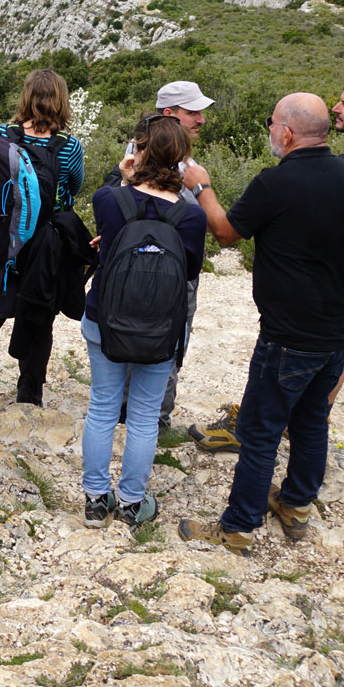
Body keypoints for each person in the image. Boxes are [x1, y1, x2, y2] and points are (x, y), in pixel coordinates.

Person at [177, 93, 344, 553]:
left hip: (289, 333)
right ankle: (296, 506)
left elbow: (223, 231)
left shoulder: (275, 184)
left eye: (271, 124)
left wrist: (202, 186)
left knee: (260, 431)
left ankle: (238, 528)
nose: (270, 132)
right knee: (312, 420)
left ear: (286, 132)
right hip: (342, 330)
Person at [80, 114, 207, 529]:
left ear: (138, 151)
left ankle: (97, 500)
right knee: (145, 414)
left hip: (106, 318)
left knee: (102, 407)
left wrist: (122, 176)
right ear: (182, 159)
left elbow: (108, 247)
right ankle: (133, 501)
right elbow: (188, 271)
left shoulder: (108, 200)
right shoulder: (192, 217)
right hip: (161, 325)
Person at [108, 80, 213, 433]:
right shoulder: (176, 171)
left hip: (127, 278)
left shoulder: (132, 161)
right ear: (170, 115)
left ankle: (128, 413)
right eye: (192, 112)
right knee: (166, 341)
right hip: (171, 281)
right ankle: (154, 420)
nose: (200, 119)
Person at [0, 69, 86, 405]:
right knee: (40, 315)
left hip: (8, 239)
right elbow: (73, 188)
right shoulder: (70, 147)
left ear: (26, 96)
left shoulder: (4, 134)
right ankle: (30, 392)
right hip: (48, 243)